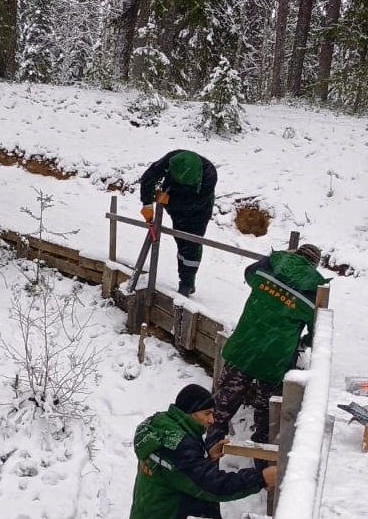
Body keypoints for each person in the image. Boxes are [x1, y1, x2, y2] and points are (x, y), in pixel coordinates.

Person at [205, 244, 328, 453]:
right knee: (265, 417)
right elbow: (317, 330)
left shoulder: (271, 266)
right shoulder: (314, 290)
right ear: (314, 264)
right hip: (275, 359)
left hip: (244, 346)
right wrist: (304, 342)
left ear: (296, 254)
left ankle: (209, 453)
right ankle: (261, 467)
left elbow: (248, 273)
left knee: (222, 408)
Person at [127, 384, 278, 519]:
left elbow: (181, 473)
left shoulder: (164, 429)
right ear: (190, 412)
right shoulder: (178, 446)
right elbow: (212, 486)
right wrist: (261, 478)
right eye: (207, 413)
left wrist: (205, 458)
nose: (212, 420)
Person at [139, 150, 217, 297]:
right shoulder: (172, 159)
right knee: (180, 240)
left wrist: (169, 201)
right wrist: (147, 204)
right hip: (173, 195)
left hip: (199, 210)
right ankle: (184, 270)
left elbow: (196, 204)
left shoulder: (209, 174)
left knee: (192, 243)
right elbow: (149, 178)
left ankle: (187, 282)